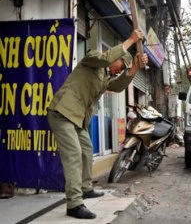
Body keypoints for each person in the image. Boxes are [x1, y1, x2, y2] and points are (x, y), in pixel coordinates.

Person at [47, 29, 147, 219]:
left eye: (124, 67)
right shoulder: (93, 59)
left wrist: (134, 68)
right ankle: (74, 204)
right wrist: (131, 40)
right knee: (74, 154)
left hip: (78, 119)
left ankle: (85, 188)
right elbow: (105, 58)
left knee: (86, 150)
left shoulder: (105, 78)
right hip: (62, 112)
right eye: (122, 64)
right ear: (115, 57)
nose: (121, 69)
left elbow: (117, 86)